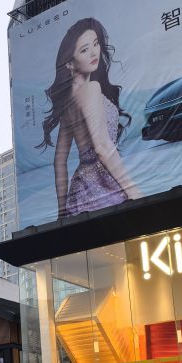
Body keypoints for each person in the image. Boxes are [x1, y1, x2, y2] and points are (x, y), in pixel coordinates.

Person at [37, 18, 142, 219]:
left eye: (96, 44)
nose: (94, 52)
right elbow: (101, 145)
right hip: (103, 188)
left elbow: (59, 160)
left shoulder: (69, 102)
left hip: (79, 193)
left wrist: (62, 212)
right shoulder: (92, 89)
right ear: (69, 63)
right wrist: (132, 189)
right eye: (84, 50)